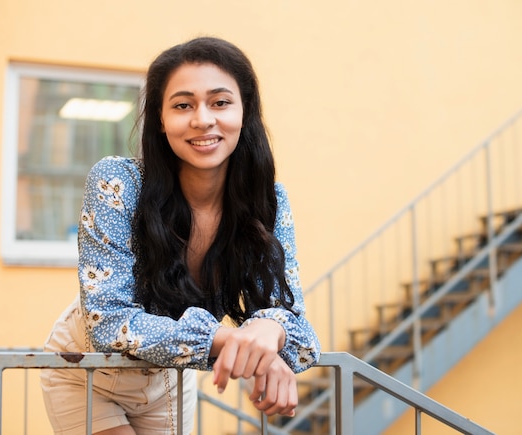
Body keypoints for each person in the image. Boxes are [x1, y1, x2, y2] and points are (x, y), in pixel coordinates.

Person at [40, 36, 321, 435]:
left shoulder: (267, 200)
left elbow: (300, 332)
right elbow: (108, 324)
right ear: (160, 118)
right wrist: (230, 339)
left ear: (245, 111)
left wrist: (269, 333)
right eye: (183, 104)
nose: (203, 119)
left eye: (220, 102)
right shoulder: (118, 183)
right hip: (85, 371)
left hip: (169, 377)